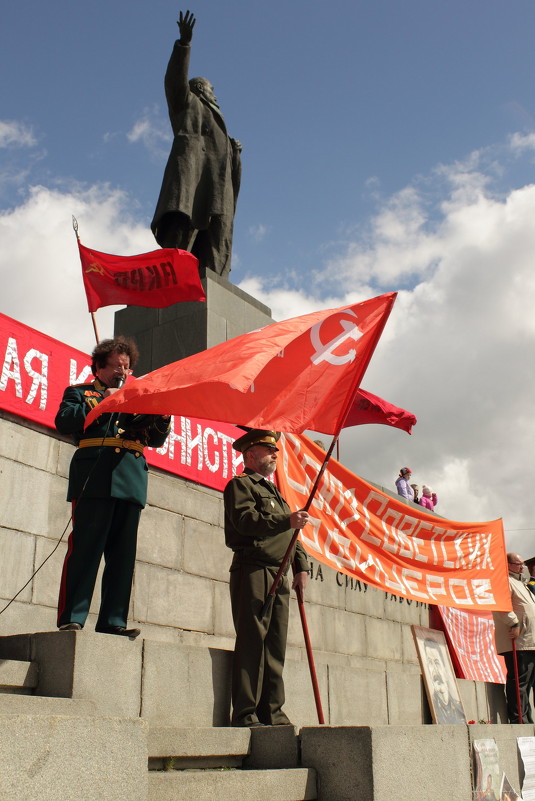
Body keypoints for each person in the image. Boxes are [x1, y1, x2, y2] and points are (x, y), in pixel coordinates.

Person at [55, 336, 171, 638]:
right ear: (99, 367)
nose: (124, 373)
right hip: (95, 478)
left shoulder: (138, 397)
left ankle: (112, 620)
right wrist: (106, 402)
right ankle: (73, 617)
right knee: (85, 551)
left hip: (131, 480)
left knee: (122, 557)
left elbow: (156, 440)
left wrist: (163, 414)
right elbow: (65, 422)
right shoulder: (80, 393)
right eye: (118, 367)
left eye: (128, 368)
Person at [224, 429, 310, 726]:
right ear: (250, 454)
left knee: (275, 645)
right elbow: (246, 521)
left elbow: (293, 537)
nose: (275, 454)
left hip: (280, 572)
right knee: (252, 641)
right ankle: (246, 712)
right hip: (254, 569)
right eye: (268, 450)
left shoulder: (278, 494)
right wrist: (286, 520)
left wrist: (301, 568)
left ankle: (272, 712)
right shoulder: (241, 485)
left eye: (275, 450)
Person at [151, 10, 242, 278]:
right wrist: (184, 45)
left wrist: (235, 155)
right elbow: (174, 83)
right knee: (181, 239)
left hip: (216, 197)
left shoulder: (222, 128)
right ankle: (168, 282)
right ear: (201, 90)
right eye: (213, 90)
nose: (217, 96)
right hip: (191, 186)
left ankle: (212, 285)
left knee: (215, 248)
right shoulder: (188, 104)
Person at [493, 553, 535, 723]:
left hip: (530, 641)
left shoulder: (521, 583)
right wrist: (514, 623)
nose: (522, 567)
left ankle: (526, 718)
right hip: (519, 641)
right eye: (518, 564)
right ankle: (518, 719)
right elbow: (500, 605)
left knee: (527, 684)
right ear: (508, 564)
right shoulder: (504, 581)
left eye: (522, 564)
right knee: (520, 682)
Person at [423, 637, 465, 723]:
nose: (435, 670)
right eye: (430, 663)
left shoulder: (457, 707)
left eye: (437, 662)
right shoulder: (435, 706)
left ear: (445, 669)